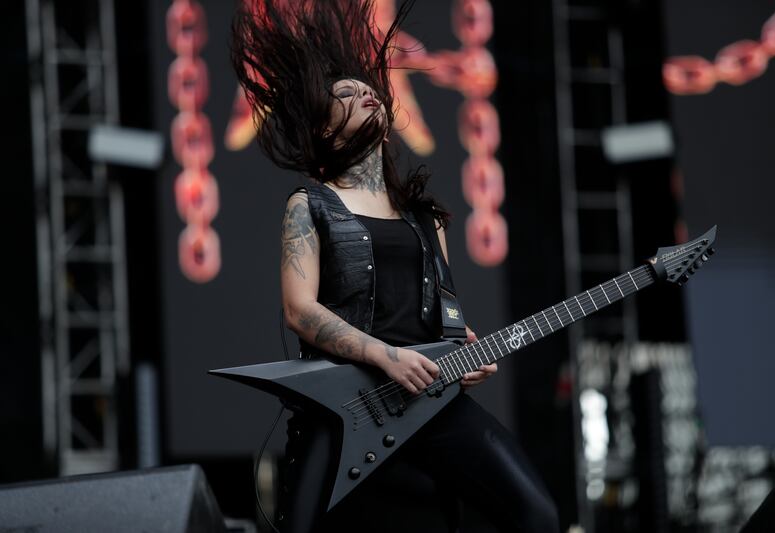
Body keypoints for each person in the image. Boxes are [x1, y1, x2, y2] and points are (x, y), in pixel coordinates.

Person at [231, 1, 559, 531]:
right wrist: (386, 356)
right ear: (327, 134)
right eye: (344, 94)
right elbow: (299, 309)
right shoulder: (310, 204)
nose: (364, 91)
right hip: (343, 407)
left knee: (536, 515)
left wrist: (464, 348)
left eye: (367, 88)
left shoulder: (427, 220)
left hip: (429, 402)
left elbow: (444, 319)